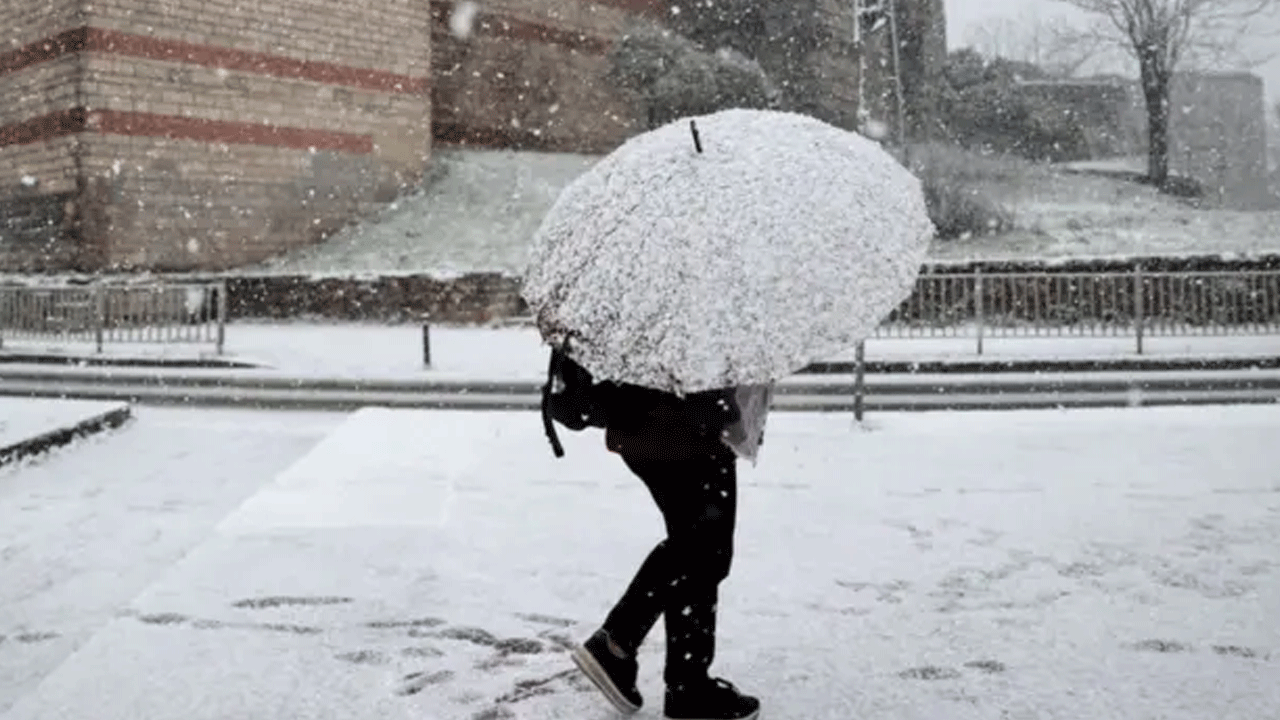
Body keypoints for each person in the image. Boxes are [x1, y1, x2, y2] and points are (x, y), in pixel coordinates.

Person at [570, 381, 771, 720]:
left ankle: (685, 685)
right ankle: (620, 646)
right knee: (703, 549)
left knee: (698, 552)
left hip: (651, 425)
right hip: (684, 428)